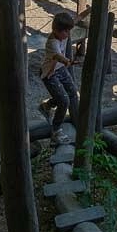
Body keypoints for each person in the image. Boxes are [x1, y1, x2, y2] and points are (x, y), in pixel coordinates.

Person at [38, 11, 79, 145]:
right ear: (56, 30)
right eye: (65, 32)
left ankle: (47, 106)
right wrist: (67, 61)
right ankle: (55, 131)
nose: (68, 34)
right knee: (64, 101)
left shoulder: (63, 33)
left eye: (68, 31)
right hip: (49, 74)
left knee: (73, 92)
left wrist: (89, 11)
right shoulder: (52, 43)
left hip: (60, 69)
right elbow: (57, 56)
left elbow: (77, 19)